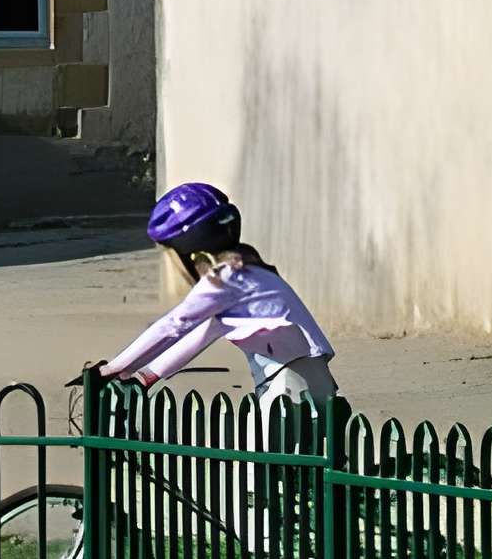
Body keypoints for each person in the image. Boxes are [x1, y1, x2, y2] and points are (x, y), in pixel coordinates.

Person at [98, 181, 340, 423]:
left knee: (275, 459)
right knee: (299, 456)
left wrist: (113, 368)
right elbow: (205, 331)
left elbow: (174, 324)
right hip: (304, 376)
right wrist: (146, 375)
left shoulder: (224, 278)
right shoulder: (248, 268)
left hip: (289, 382)